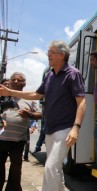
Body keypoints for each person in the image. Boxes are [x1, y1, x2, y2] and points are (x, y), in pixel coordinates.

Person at [0, 40, 86, 191]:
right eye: (48, 52)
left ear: (62, 55)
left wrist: (76, 128)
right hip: (50, 129)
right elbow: (36, 94)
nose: (48, 55)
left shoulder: (73, 74)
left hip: (65, 128)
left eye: (52, 52)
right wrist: (11, 92)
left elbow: (81, 102)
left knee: (50, 167)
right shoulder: (49, 75)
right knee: (56, 169)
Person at [0, 72, 40, 191]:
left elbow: (41, 114)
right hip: (1, 140)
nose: (16, 81)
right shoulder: (2, 96)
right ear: (10, 82)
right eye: (14, 79)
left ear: (24, 84)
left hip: (18, 141)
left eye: (19, 80)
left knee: (16, 169)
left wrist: (30, 114)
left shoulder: (30, 98)